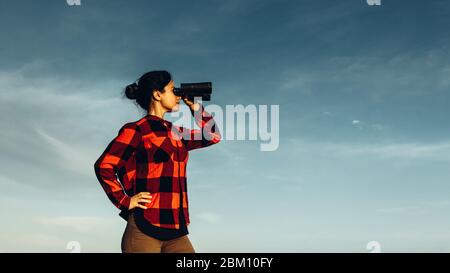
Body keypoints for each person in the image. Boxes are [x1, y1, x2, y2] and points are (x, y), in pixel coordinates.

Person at [94, 70, 221, 253]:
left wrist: (195, 107)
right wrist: (124, 200)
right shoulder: (136, 130)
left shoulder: (176, 132)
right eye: (172, 89)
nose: (177, 95)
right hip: (145, 228)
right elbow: (104, 165)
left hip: (176, 230)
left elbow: (213, 136)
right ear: (157, 94)